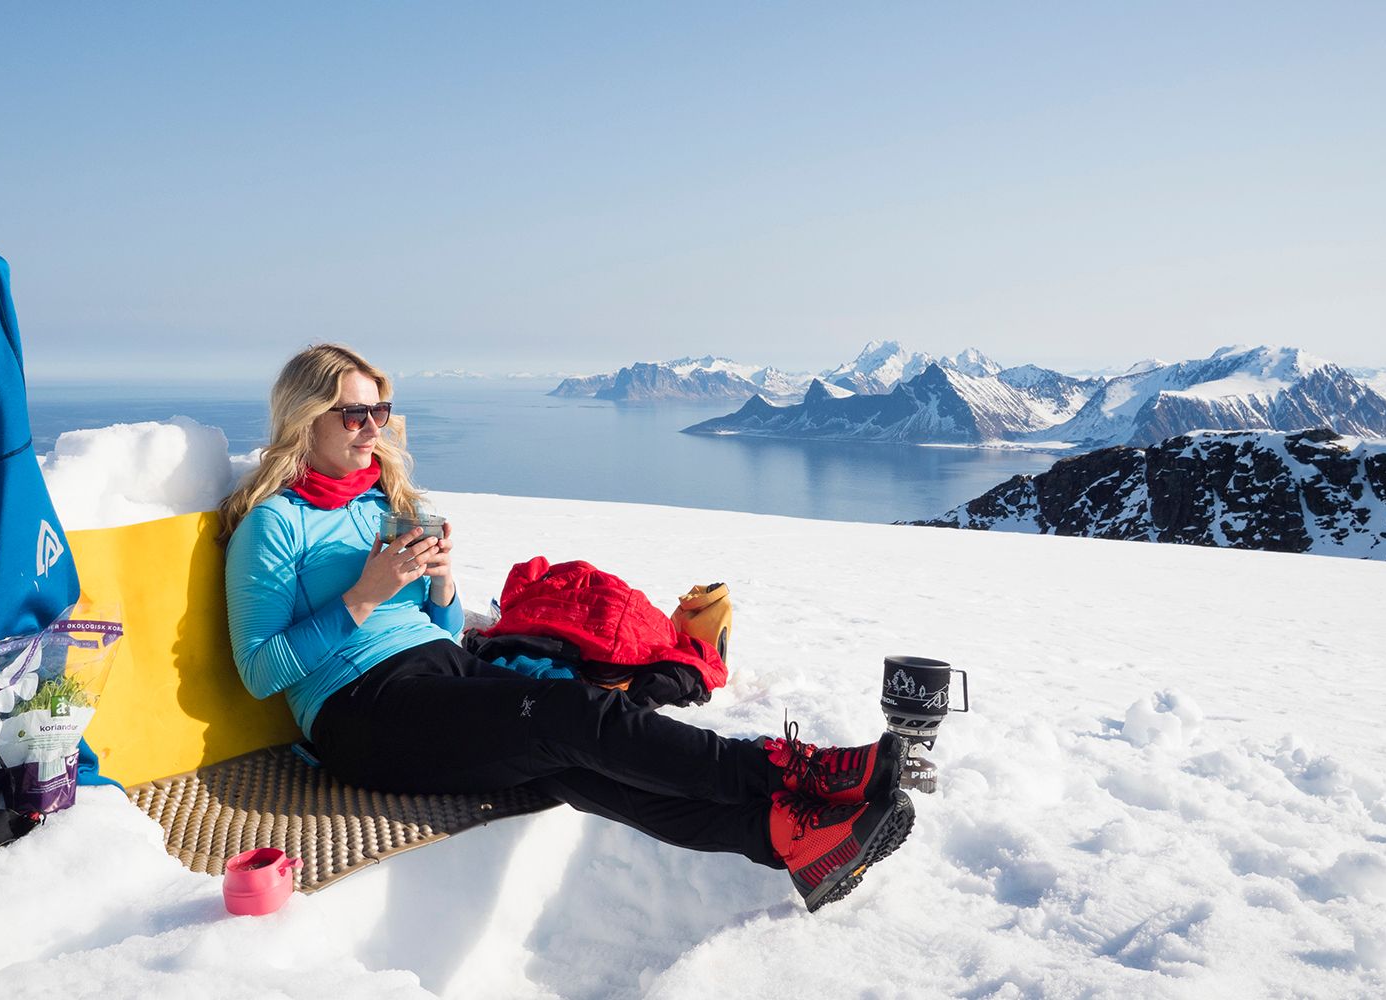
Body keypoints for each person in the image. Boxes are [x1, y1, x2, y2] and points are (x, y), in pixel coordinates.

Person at [220, 343, 916, 911]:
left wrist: (439, 582)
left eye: (382, 411)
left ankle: (785, 837)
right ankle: (796, 773)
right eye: (353, 415)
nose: (375, 429)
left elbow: (442, 625)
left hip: (441, 671)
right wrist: (363, 599)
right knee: (572, 713)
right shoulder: (274, 524)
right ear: (305, 420)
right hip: (357, 713)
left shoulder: (388, 503)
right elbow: (258, 670)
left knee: (571, 763)